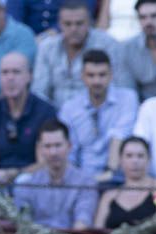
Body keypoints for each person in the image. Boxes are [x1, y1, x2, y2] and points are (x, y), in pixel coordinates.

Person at [0, 51, 57, 184]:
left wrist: (15, 174)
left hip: (33, 182)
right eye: (5, 72)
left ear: (29, 76)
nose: (10, 78)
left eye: (16, 72)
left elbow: (45, 163)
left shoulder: (45, 112)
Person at [59, 49, 139, 179]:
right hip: (80, 179)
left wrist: (108, 174)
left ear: (111, 75)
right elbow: (69, 152)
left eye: (102, 75)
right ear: (82, 76)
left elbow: (119, 135)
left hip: (119, 177)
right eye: (91, 75)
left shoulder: (127, 99)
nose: (96, 81)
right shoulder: (70, 108)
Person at [32, 0, 119, 110]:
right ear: (59, 24)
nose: (73, 29)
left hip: (96, 114)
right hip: (54, 118)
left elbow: (116, 88)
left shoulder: (107, 44)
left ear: (89, 23)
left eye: (79, 23)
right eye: (68, 24)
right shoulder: (47, 48)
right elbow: (40, 92)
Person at [12, 119, 98, 230]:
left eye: (58, 145)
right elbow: (24, 224)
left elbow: (83, 221)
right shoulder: (27, 185)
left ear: (69, 146)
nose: (53, 152)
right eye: (47, 146)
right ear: (40, 148)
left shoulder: (86, 182)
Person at [93, 135, 156, 227]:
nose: (135, 161)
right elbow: (97, 231)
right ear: (120, 160)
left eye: (140, 156)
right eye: (129, 156)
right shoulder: (109, 197)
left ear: (149, 159)